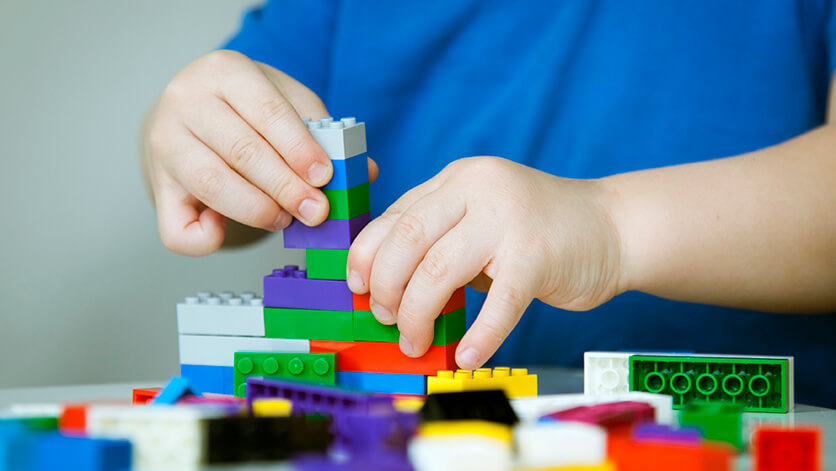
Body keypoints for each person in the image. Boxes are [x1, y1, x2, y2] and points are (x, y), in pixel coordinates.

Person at [140, 1, 836, 407]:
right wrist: (193, 136)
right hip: (419, 423)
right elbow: (249, 179)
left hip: (751, 421)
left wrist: (610, 228)